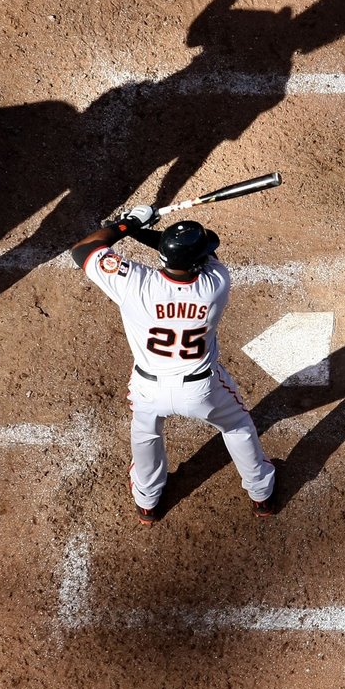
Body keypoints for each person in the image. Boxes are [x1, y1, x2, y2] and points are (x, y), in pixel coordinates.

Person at [71, 208, 277, 524]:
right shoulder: (216, 284)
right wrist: (151, 236)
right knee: (236, 425)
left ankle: (147, 502)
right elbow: (202, 255)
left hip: (147, 386)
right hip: (201, 388)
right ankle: (261, 494)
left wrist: (128, 226)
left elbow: (84, 249)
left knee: (145, 433)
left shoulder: (133, 283)